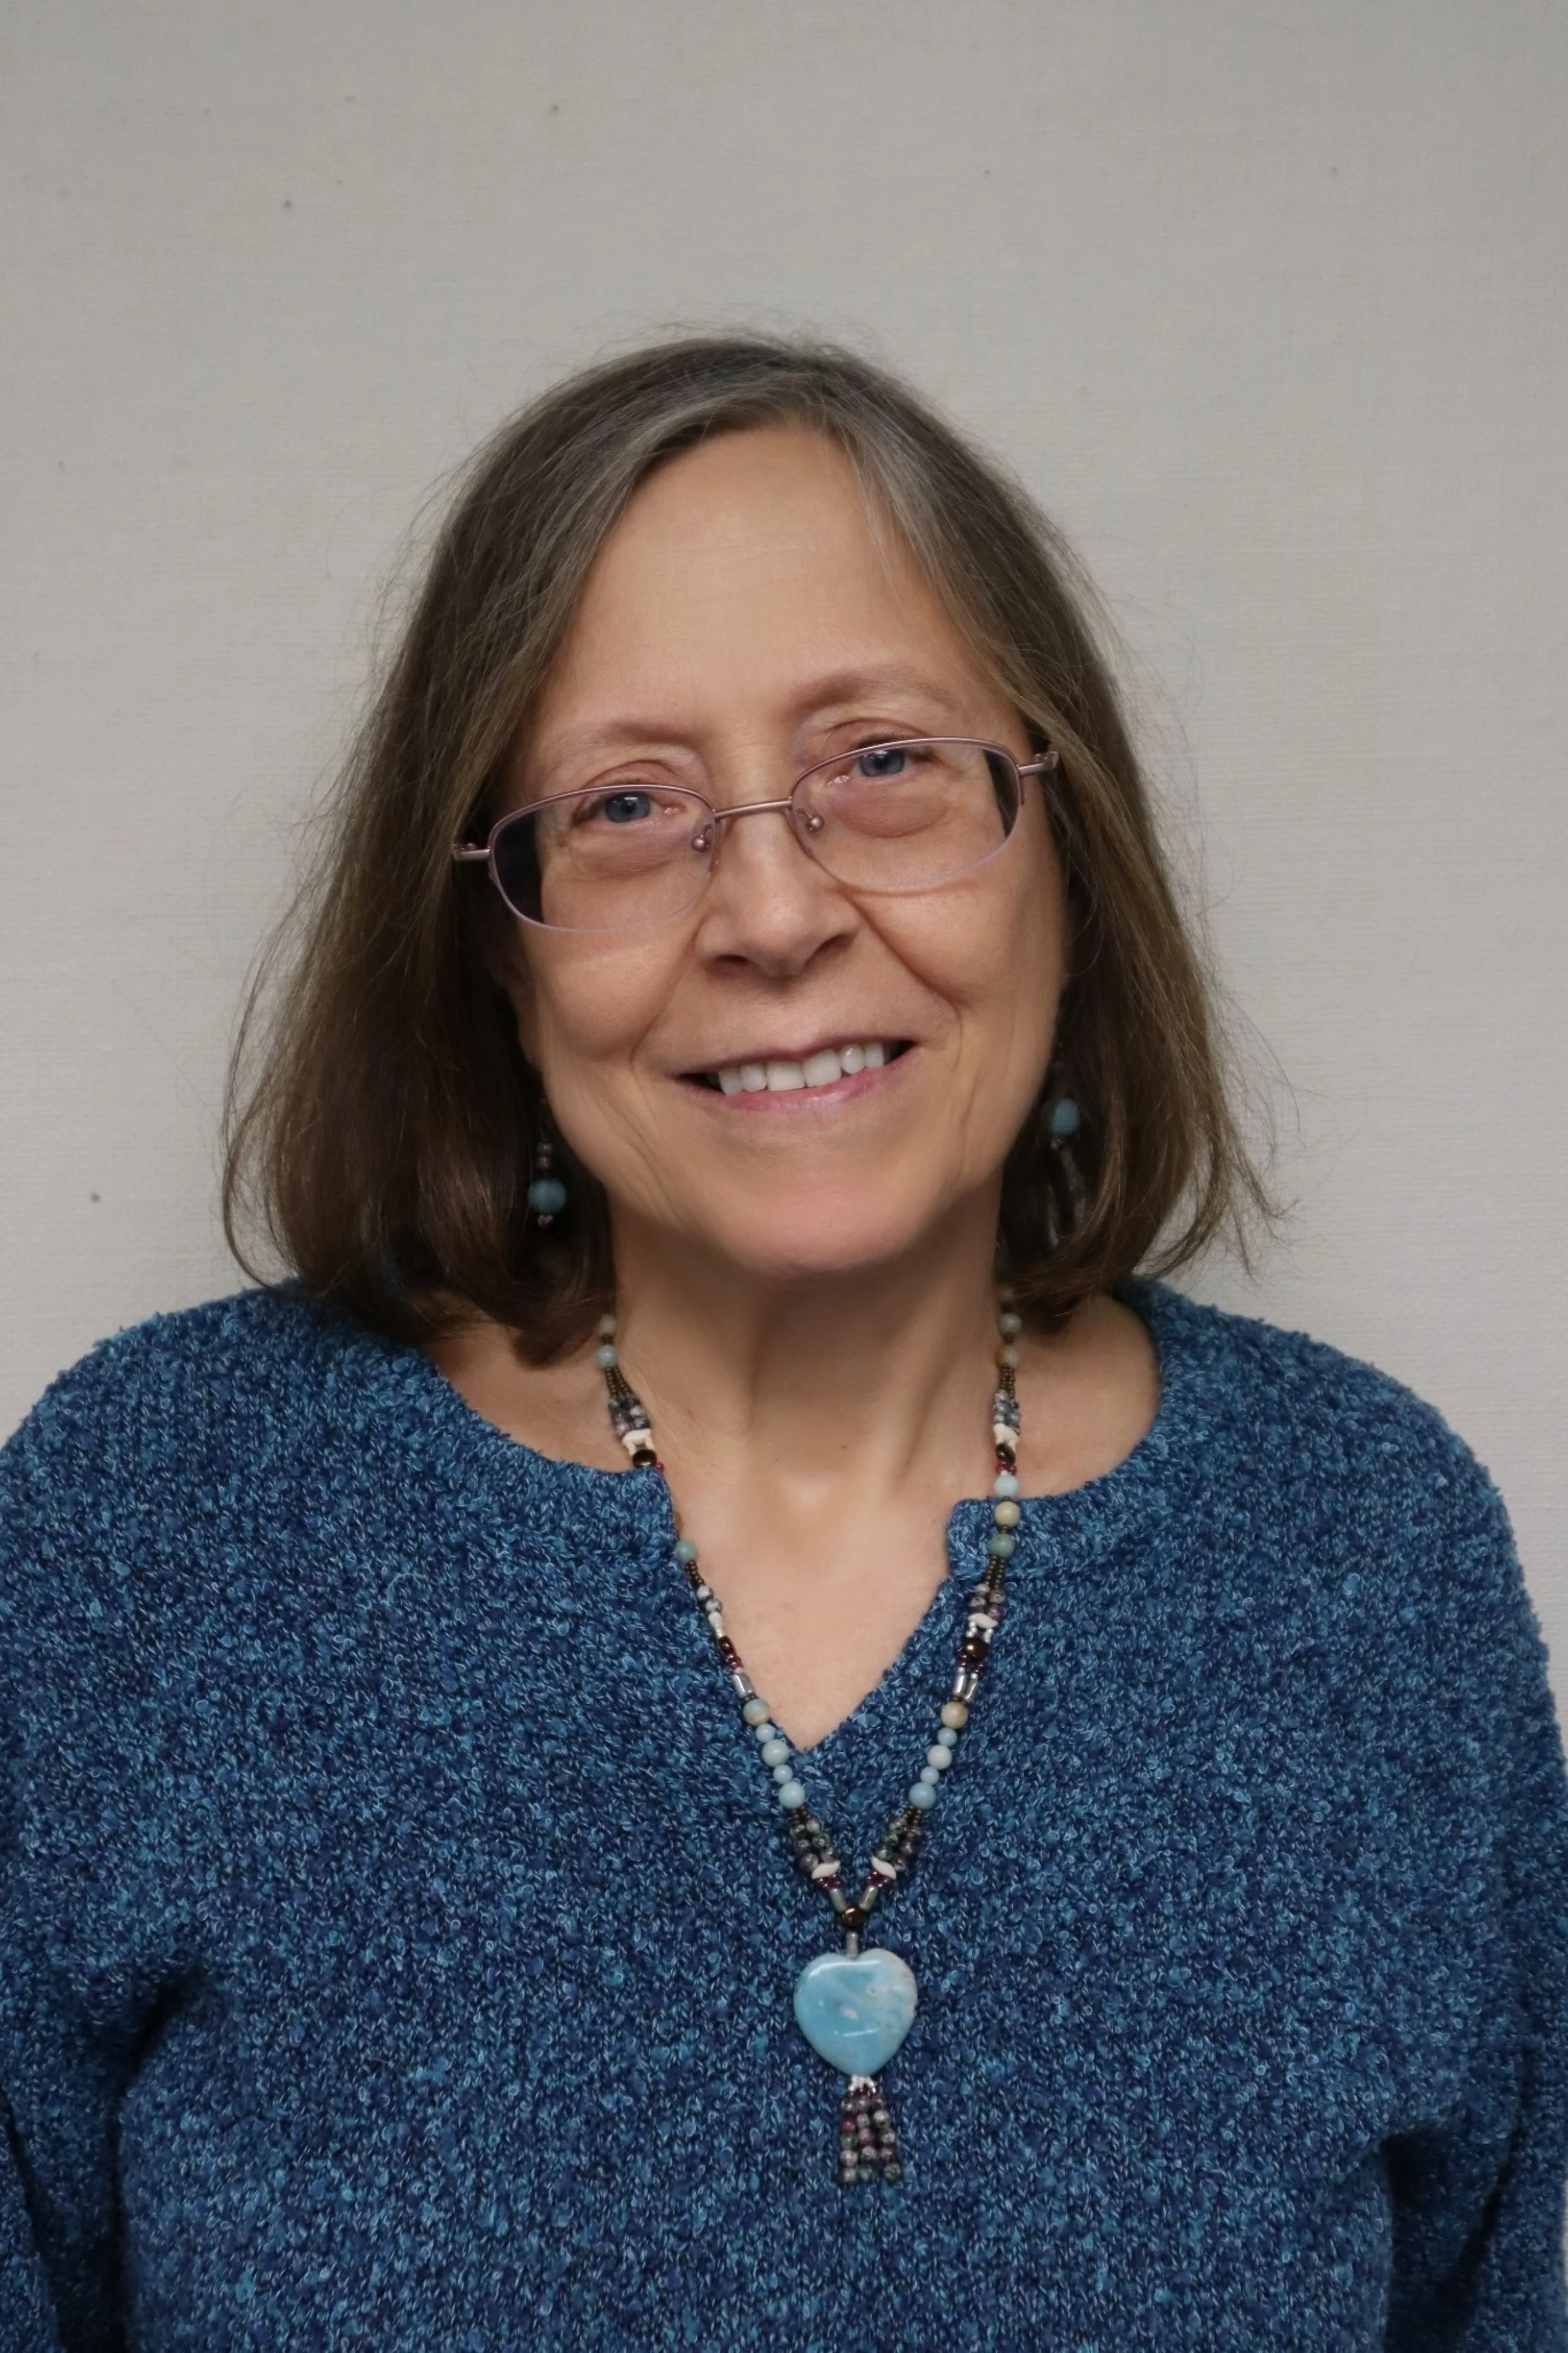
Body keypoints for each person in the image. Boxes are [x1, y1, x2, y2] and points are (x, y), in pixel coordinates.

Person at [1, 336, 1564, 2350]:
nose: (768, 907)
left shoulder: (1370, 1549)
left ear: (1061, 856)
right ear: (494, 937)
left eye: (883, 766)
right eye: (630, 804)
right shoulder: (152, 1526)